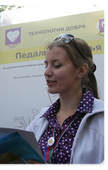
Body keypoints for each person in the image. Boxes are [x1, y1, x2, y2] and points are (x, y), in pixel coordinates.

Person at [26, 34, 105, 165]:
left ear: (81, 70)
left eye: (56, 65)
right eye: (46, 65)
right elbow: (21, 151)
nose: (47, 72)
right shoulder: (42, 117)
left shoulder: (102, 120)